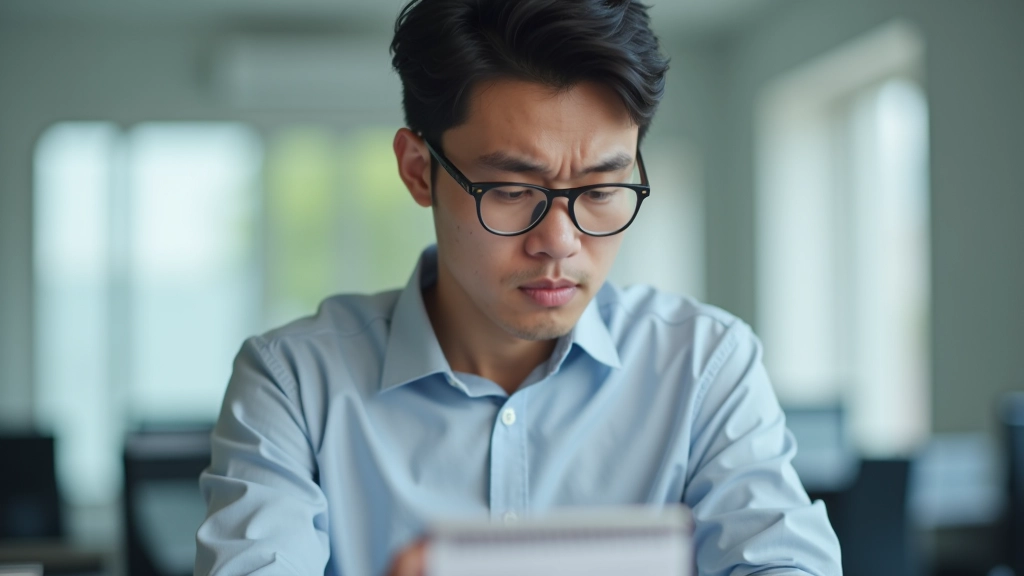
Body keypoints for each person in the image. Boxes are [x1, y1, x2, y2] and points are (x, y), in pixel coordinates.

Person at [194, 0, 843, 574]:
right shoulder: (294, 384)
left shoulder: (704, 364)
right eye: (510, 190)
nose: (559, 241)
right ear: (420, 172)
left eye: (601, 190)